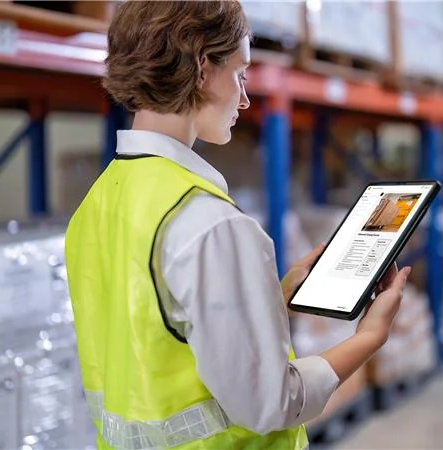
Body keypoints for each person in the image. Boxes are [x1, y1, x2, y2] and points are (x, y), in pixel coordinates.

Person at [64, 2, 411, 449]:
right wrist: (369, 338)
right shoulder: (210, 223)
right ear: (203, 67)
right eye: (241, 72)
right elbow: (270, 403)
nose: (245, 98)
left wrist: (271, 299)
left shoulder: (96, 206)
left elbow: (155, 336)